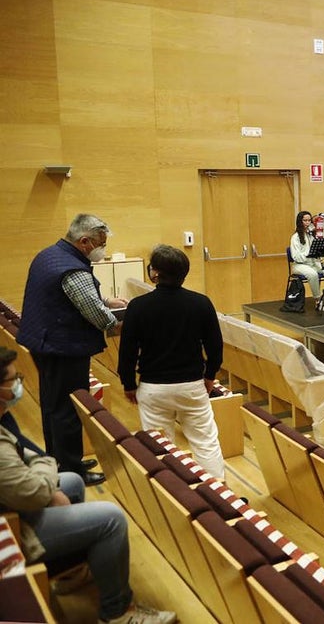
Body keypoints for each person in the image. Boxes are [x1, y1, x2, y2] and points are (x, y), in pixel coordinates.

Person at [0, 348, 177, 624]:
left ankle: (70, 572)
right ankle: (118, 611)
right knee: (111, 519)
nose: (18, 383)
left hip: (14, 504)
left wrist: (44, 470)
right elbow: (32, 490)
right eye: (13, 379)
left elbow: (26, 458)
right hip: (14, 526)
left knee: (71, 480)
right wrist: (47, 467)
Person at [17, 213, 126, 486]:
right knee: (68, 409)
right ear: (84, 241)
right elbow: (98, 317)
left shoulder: (49, 255)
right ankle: (72, 471)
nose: (103, 249)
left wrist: (106, 300)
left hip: (44, 343)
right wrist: (122, 323)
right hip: (64, 348)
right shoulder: (74, 269)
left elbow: (74, 296)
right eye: (100, 244)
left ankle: (60, 459)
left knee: (52, 405)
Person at [118, 244, 226, 479]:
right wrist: (210, 376)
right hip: (192, 386)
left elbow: (127, 352)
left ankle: (171, 491)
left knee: (159, 447)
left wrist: (128, 384)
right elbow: (215, 347)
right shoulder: (201, 303)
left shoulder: (138, 306)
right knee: (205, 442)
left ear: (154, 273)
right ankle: (218, 490)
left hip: (153, 388)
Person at [288, 210, 324, 311]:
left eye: (309, 220)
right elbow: (296, 257)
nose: (307, 223)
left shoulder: (311, 235)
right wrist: (310, 253)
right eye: (305, 220)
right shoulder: (295, 237)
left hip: (312, 263)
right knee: (312, 274)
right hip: (299, 265)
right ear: (300, 222)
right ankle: (318, 299)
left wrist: (318, 255)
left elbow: (316, 252)